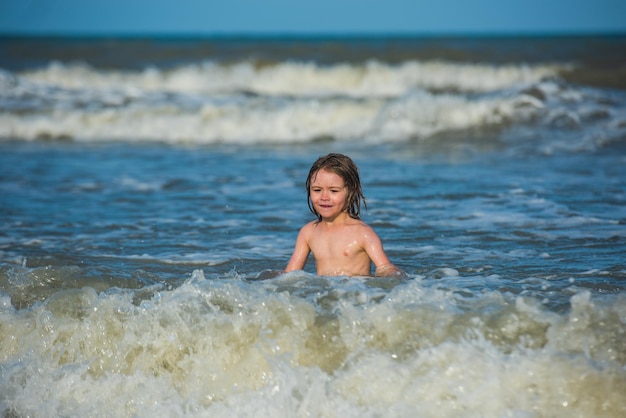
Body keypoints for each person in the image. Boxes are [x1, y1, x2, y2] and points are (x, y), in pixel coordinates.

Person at [285, 153, 403, 277]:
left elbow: (385, 268)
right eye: (317, 190)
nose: (324, 197)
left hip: (355, 291)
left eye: (334, 191)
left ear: (351, 191)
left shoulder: (362, 233)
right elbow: (289, 274)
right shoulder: (308, 232)